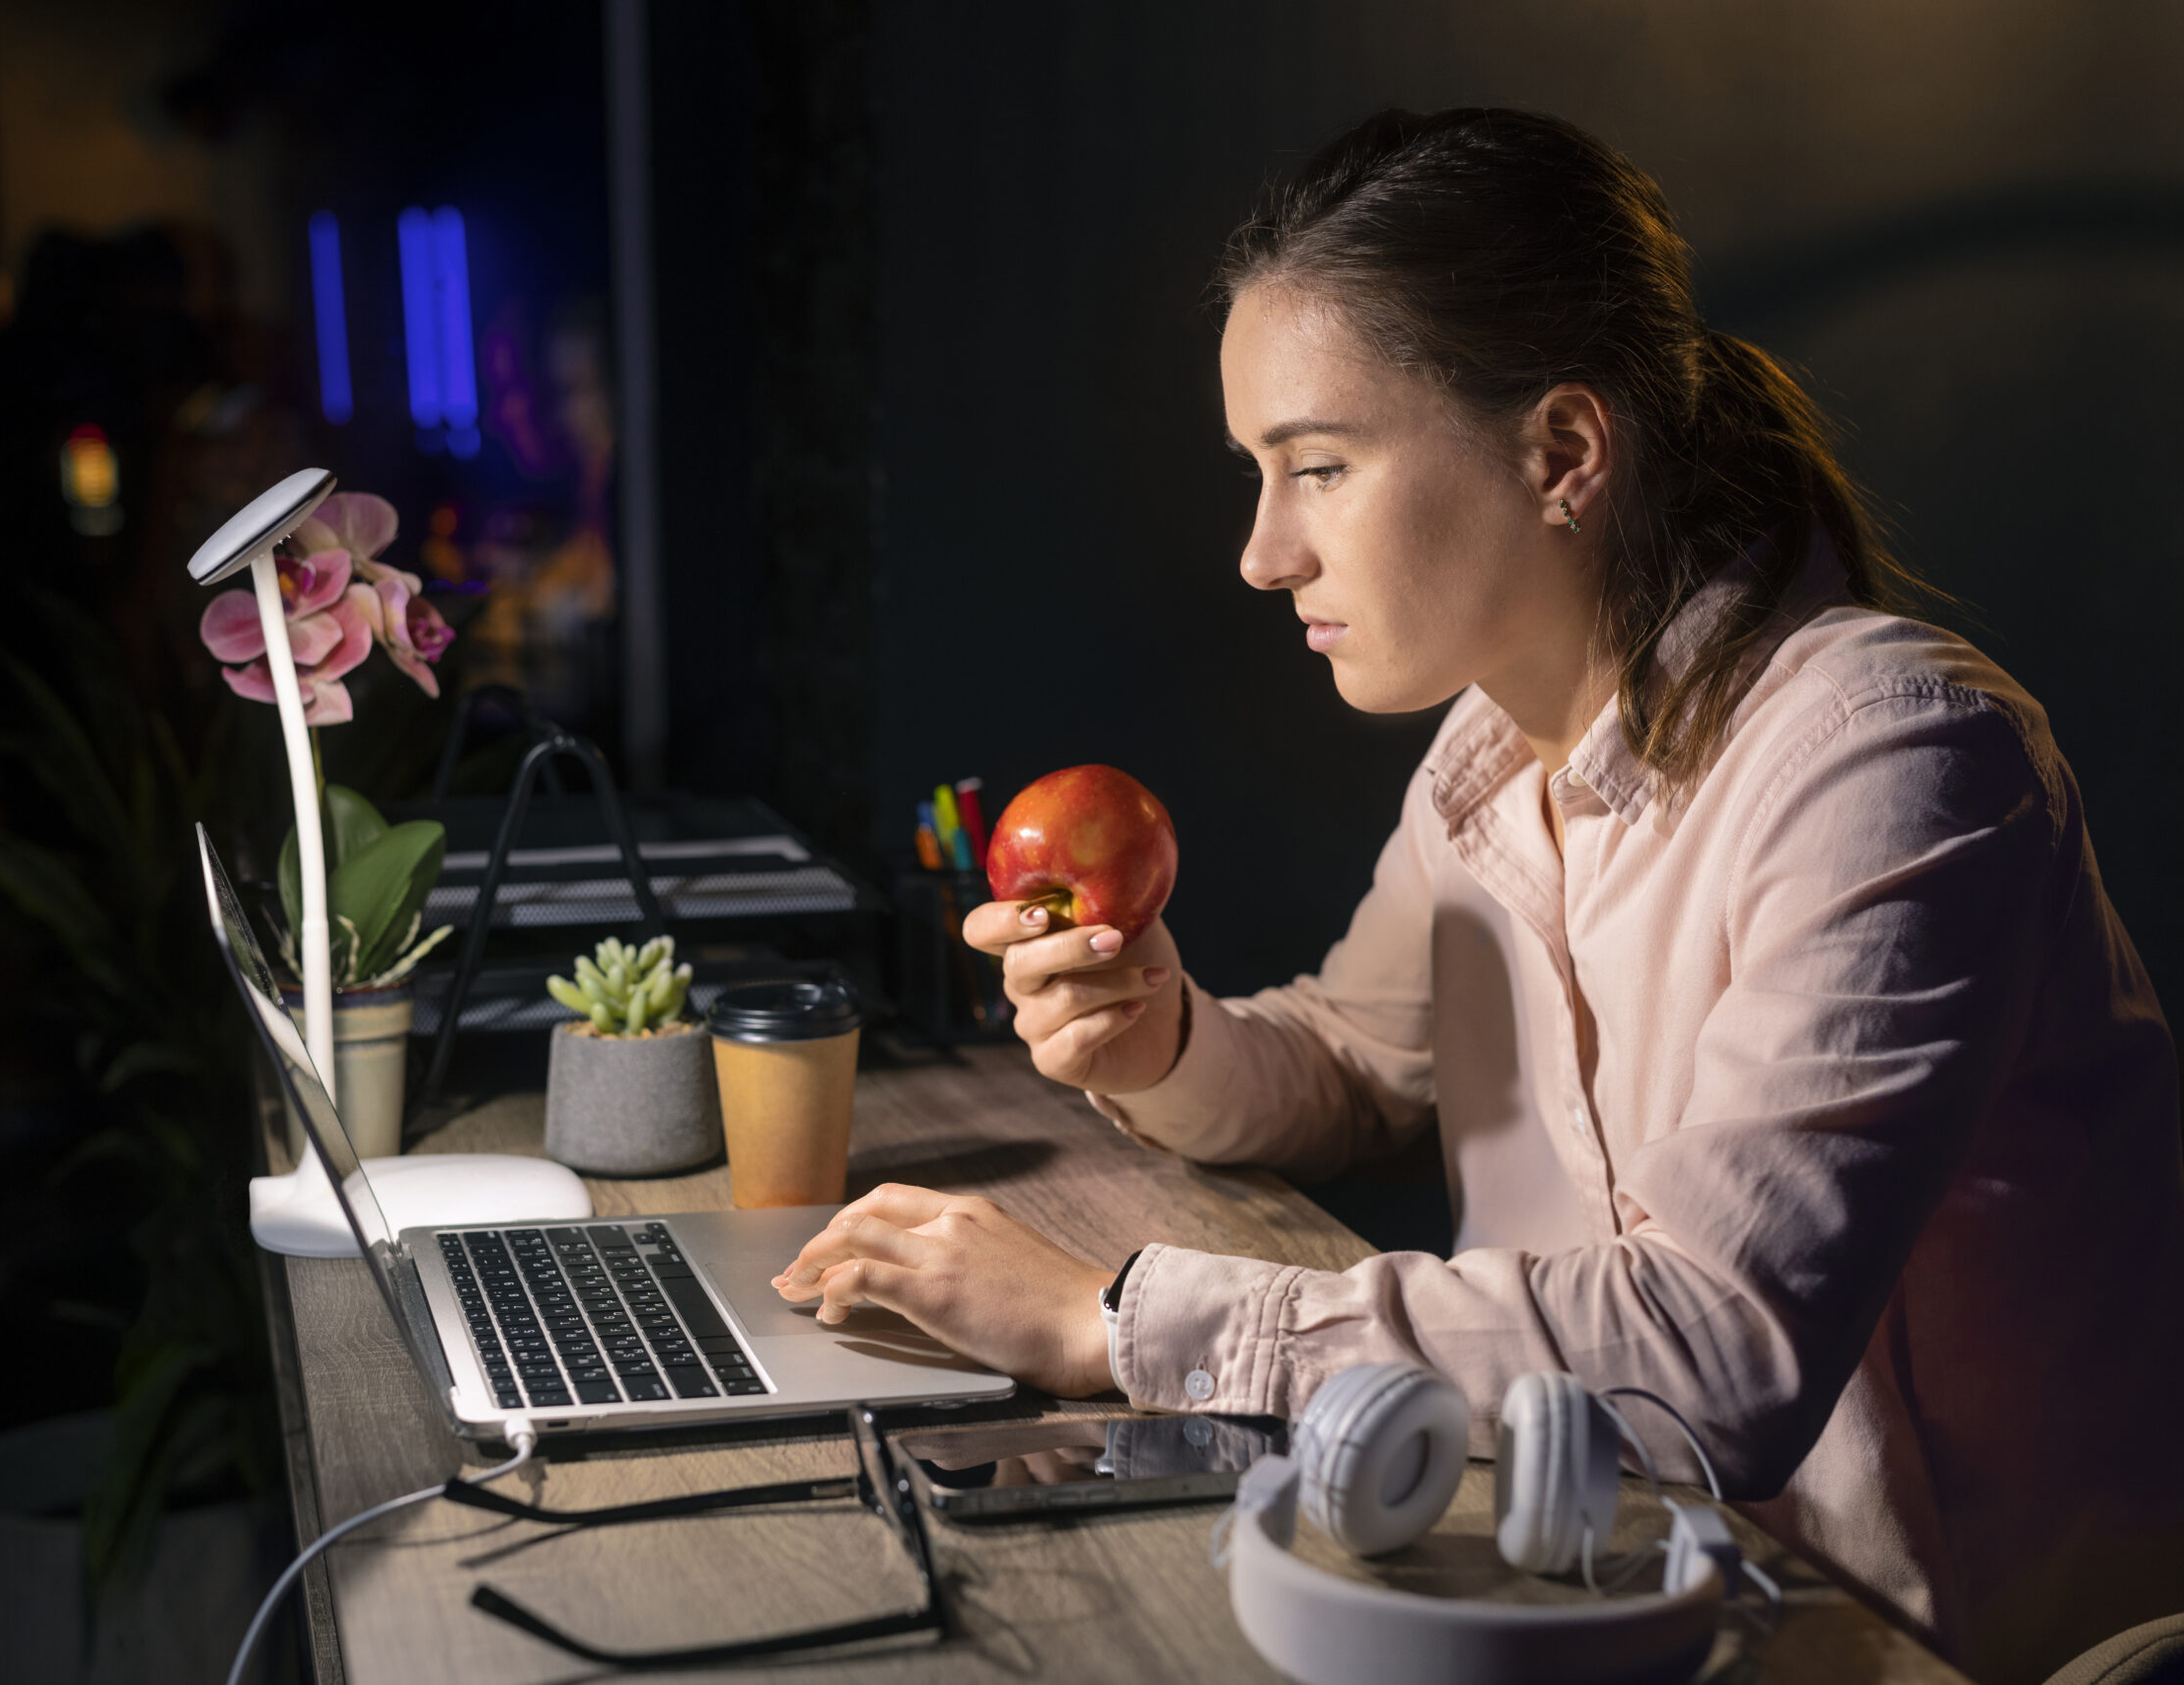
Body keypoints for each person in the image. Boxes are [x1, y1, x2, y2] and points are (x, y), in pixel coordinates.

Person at [774, 109, 2184, 1684]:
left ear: (1563, 453)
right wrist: (1159, 1036)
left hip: (1905, 1642)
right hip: (1575, 1585)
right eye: (1258, 474)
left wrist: (1113, 1319)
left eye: (1317, 466)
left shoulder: (1894, 758)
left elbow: (1709, 1356)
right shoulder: (1486, 757)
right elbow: (1351, 1069)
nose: (1260, 553)